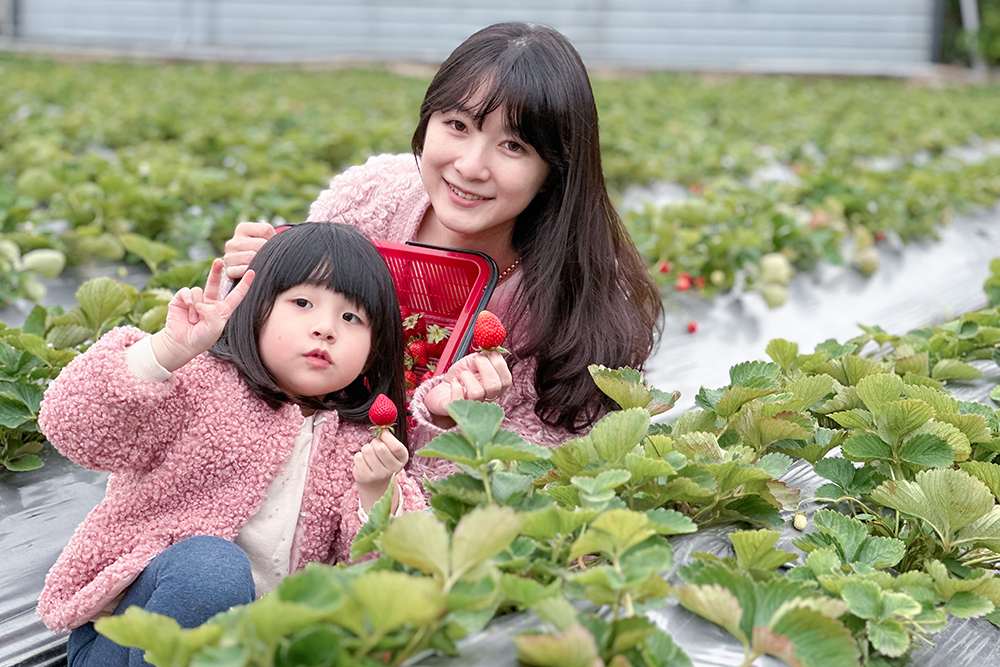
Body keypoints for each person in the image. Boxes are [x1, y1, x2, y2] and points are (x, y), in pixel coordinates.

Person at [222, 22, 662, 473]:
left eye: (513, 145)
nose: (470, 167)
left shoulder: (576, 303)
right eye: (457, 125)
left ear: (555, 169)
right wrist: (243, 288)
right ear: (426, 120)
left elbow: (515, 490)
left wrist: (454, 425)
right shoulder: (367, 200)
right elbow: (248, 382)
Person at [36, 223, 425, 666]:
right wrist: (164, 352)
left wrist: (376, 493)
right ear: (255, 309)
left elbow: (393, 575)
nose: (325, 329)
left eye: (351, 317)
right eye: (302, 303)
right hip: (127, 641)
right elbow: (72, 425)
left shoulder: (356, 447)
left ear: (374, 352)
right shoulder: (202, 385)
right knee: (212, 570)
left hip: (256, 652)